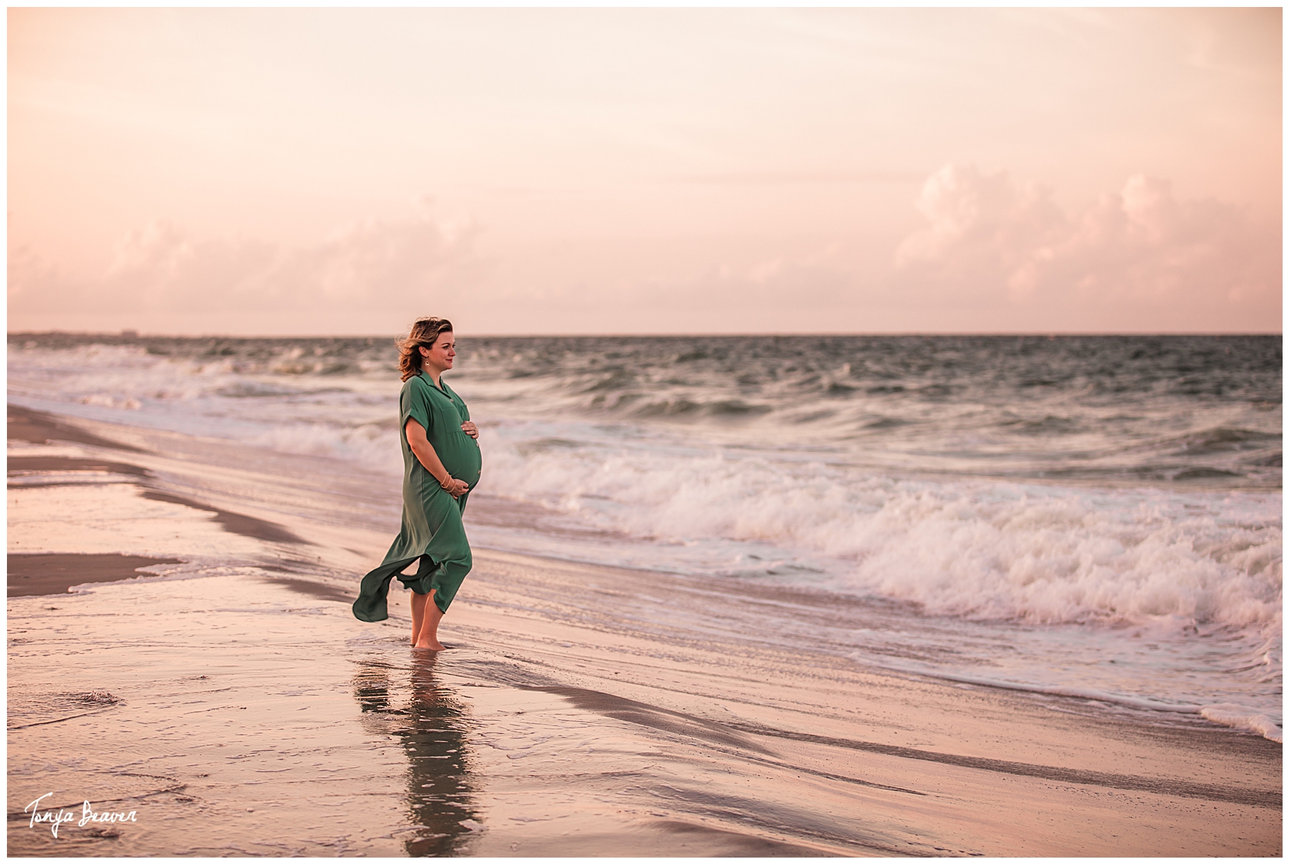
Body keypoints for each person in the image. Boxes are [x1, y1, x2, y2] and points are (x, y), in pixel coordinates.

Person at [352, 317, 481, 650]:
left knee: (431, 563)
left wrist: (470, 431)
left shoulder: (446, 391)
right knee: (458, 559)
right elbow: (417, 440)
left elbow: (449, 430)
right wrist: (447, 480)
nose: (453, 351)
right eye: (446, 346)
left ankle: (417, 639)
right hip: (431, 488)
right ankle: (428, 638)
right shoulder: (415, 387)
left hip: (449, 490)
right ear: (424, 350)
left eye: (454, 345)